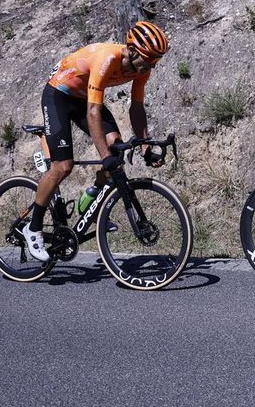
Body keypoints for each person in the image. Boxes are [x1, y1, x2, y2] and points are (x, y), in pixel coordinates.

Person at [17, 20, 170, 261]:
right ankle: (33, 227)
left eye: (155, 61)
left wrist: (145, 147)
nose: (151, 66)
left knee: (116, 151)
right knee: (63, 166)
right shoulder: (107, 58)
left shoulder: (143, 67)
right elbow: (93, 113)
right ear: (132, 50)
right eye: (149, 59)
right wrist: (104, 156)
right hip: (58, 95)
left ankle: (91, 199)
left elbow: (137, 107)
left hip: (82, 98)